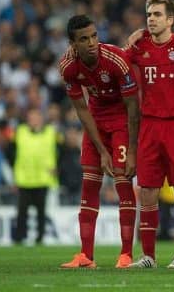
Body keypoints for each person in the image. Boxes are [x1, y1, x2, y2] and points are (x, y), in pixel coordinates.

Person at [59, 15, 140, 269]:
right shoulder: (68, 67)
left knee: (122, 183)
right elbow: (82, 110)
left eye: (94, 36)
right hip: (96, 122)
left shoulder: (116, 60)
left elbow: (133, 108)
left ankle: (126, 254)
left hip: (121, 122)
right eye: (84, 39)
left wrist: (133, 150)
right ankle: (86, 256)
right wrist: (101, 150)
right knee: (89, 185)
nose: (92, 42)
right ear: (73, 44)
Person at [124, 0, 174, 269]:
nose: (151, 19)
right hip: (150, 126)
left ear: (170, 20)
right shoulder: (139, 46)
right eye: (148, 14)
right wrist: (134, 38)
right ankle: (148, 257)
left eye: (157, 14)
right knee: (147, 192)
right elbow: (118, 62)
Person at [11, 108, 59, 245]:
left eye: (36, 117)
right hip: (24, 179)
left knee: (41, 212)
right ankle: (19, 237)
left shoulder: (51, 132)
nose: (33, 120)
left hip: (43, 178)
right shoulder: (20, 132)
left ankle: (40, 238)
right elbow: (11, 152)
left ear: (41, 119)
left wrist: (57, 168)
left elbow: (60, 151)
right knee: (22, 211)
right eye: (31, 118)